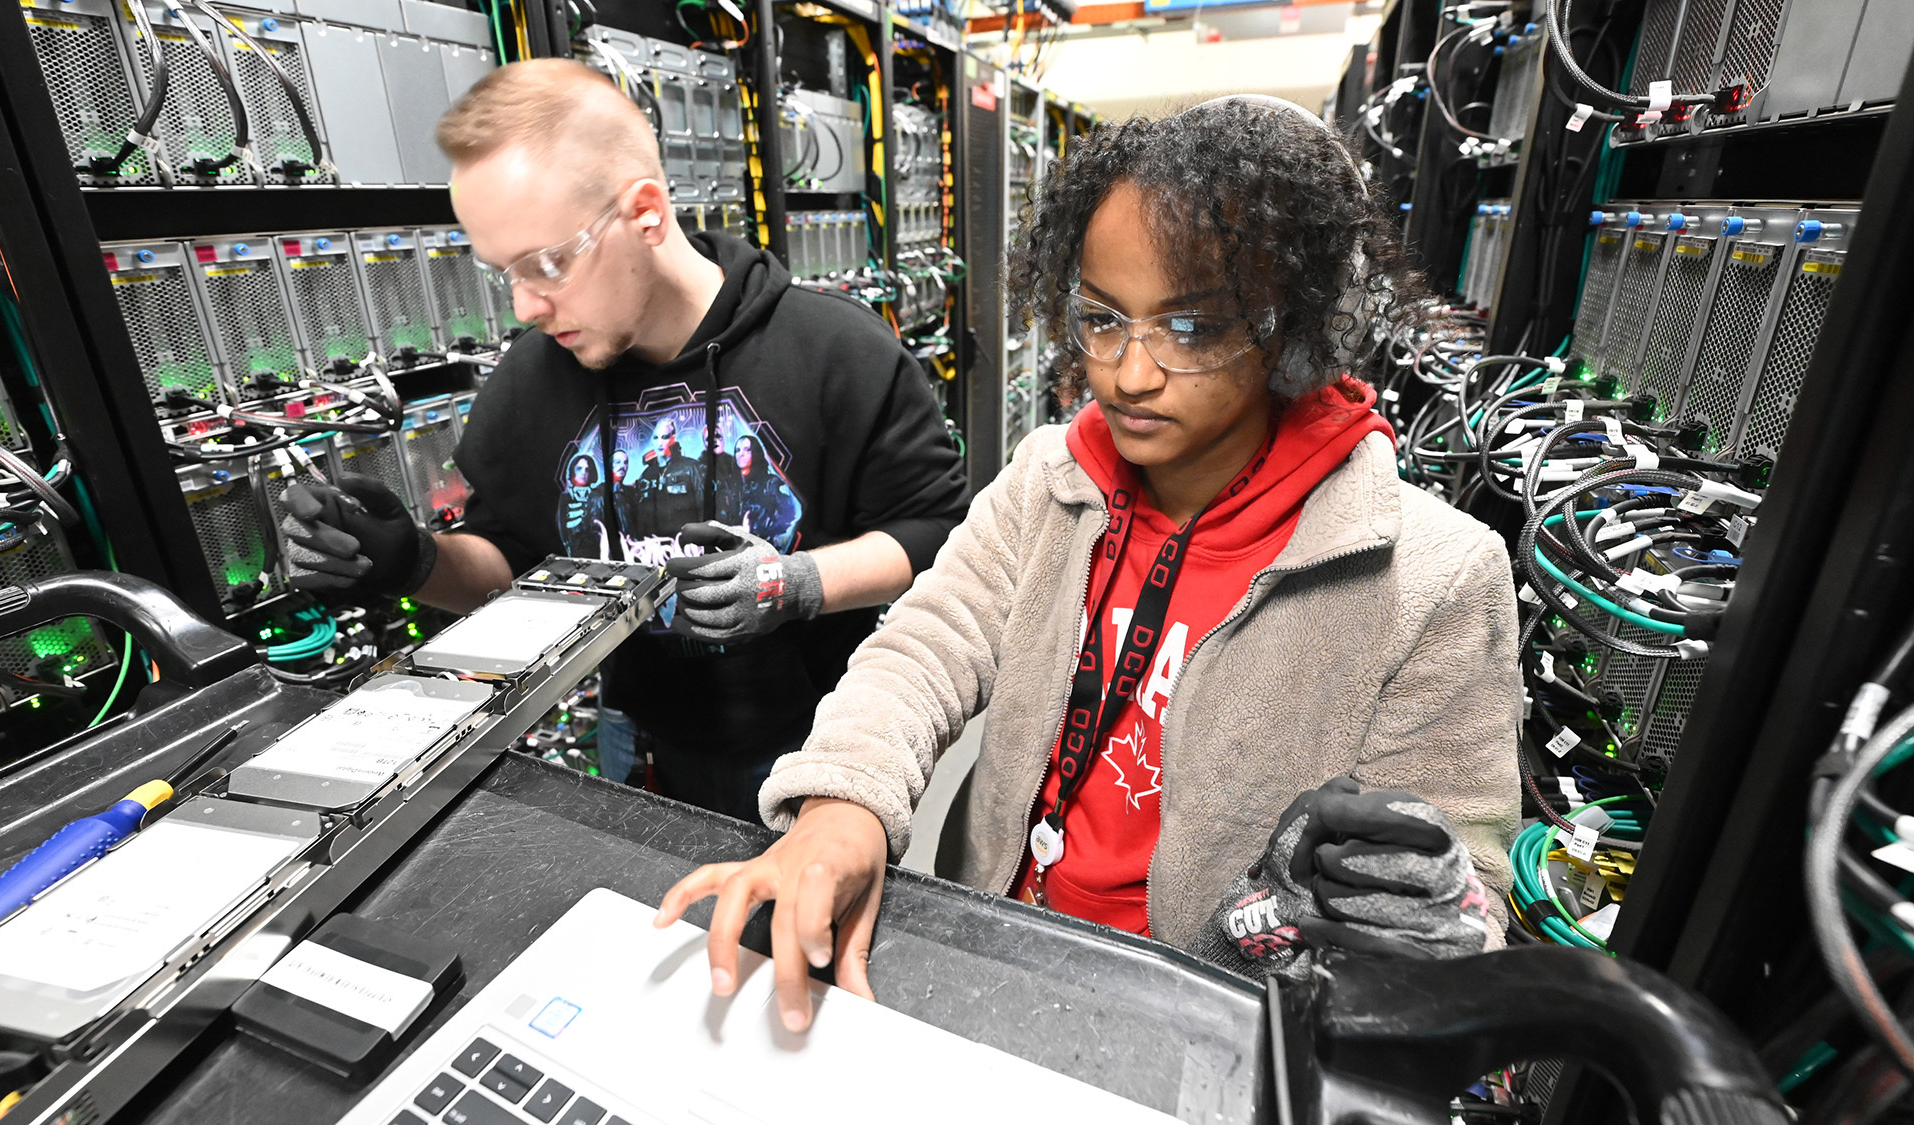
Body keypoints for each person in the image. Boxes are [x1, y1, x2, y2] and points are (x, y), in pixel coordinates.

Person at [655, 97, 1522, 1031]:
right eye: (1103, 319)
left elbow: (1460, 873)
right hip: (996, 941)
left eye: (1191, 328)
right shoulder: (1052, 480)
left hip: (1203, 1017)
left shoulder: (1431, 574)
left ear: (1299, 325)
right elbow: (927, 644)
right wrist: (842, 807)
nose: (1127, 373)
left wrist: (1407, 909)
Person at [276, 59, 969, 820]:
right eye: (504, 271)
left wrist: (794, 583)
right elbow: (507, 560)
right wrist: (408, 558)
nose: (527, 305)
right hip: (636, 737)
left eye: (546, 263)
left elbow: (935, 536)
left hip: (818, 740)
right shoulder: (536, 375)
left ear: (645, 212)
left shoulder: (835, 349)